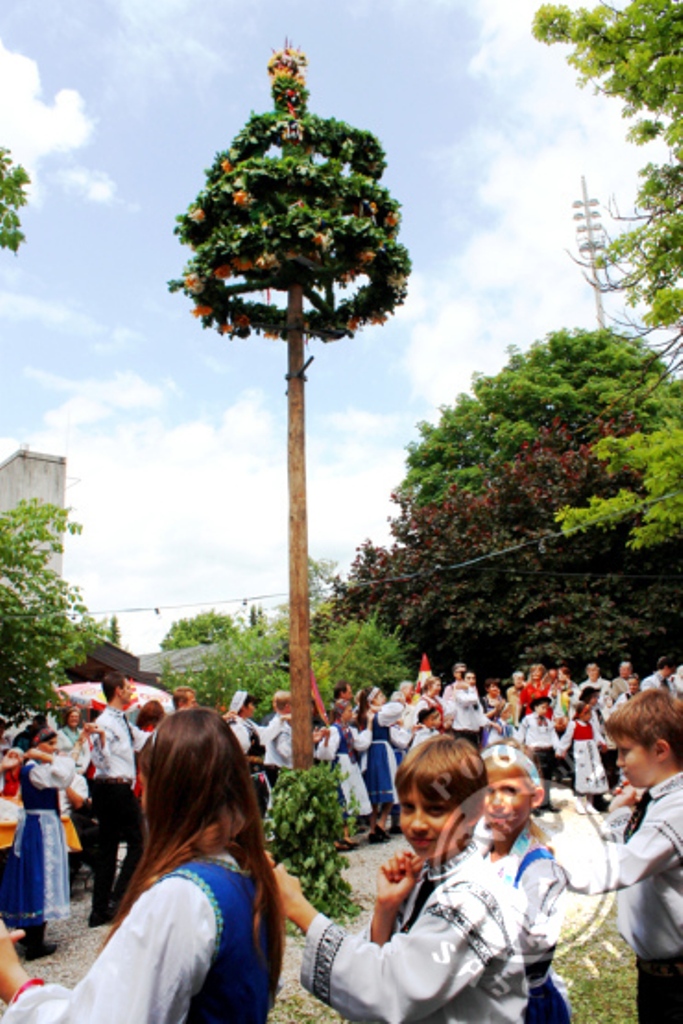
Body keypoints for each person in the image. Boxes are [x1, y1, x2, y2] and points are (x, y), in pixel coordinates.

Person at [0, 708, 284, 1022]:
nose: (143, 802)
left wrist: (10, 975)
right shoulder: (247, 877)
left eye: (145, 788)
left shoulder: (180, 898)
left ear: (166, 796)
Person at [275, 736, 527, 1022]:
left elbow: (390, 991)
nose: (417, 824)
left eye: (435, 809)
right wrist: (386, 907)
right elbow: (383, 960)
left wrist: (298, 908)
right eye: (408, 807)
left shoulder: (471, 899)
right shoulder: (429, 874)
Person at [553, 690, 683, 1024]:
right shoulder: (658, 800)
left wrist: (552, 862)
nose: (620, 762)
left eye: (626, 751)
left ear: (660, 750)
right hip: (656, 975)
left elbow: (623, 866)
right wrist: (619, 813)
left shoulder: (676, 808)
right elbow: (633, 845)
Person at [480, 742, 571, 1022]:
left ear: (535, 796)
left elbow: (532, 947)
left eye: (510, 790)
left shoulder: (539, 868)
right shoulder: (480, 854)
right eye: (487, 790)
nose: (497, 802)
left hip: (523, 1004)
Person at [0, 728, 77, 959]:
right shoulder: (34, 770)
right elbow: (64, 776)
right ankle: (34, 939)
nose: (54, 748)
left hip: (42, 825)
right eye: (50, 744)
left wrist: (47, 756)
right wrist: (49, 758)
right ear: (38, 745)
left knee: (38, 875)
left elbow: (65, 773)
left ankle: (31, 934)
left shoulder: (39, 767)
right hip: (40, 828)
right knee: (39, 876)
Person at [88, 671, 150, 928]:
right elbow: (100, 761)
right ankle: (116, 899)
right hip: (113, 787)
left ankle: (100, 910)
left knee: (109, 847)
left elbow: (144, 740)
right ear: (117, 691)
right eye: (127, 687)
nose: (130, 692)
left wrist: (178, 724)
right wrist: (102, 739)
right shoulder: (104, 722)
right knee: (138, 841)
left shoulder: (122, 720)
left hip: (115, 788)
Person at [316, 700, 371, 850]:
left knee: (348, 797)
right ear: (341, 713)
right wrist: (326, 740)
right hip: (340, 765)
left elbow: (360, 744)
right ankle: (340, 836)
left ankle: (346, 835)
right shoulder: (335, 730)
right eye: (348, 711)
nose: (351, 713)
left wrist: (369, 729)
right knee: (342, 797)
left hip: (350, 765)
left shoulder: (347, 729)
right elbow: (327, 753)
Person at [363, 688, 410, 844]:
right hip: (381, 750)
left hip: (371, 752)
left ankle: (374, 828)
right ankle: (381, 823)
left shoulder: (372, 714)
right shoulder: (381, 716)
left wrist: (375, 708)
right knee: (388, 787)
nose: (383, 698)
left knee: (376, 791)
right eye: (380, 696)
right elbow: (399, 707)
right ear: (372, 700)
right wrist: (377, 708)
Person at [516, 696, 560, 813]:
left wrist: (558, 749)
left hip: (547, 750)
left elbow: (553, 736)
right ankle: (534, 804)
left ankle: (546, 802)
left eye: (546, 708)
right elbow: (520, 734)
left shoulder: (548, 722)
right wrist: (518, 748)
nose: (545, 710)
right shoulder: (527, 720)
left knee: (547, 778)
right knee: (535, 778)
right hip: (534, 751)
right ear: (535, 707)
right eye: (542, 707)